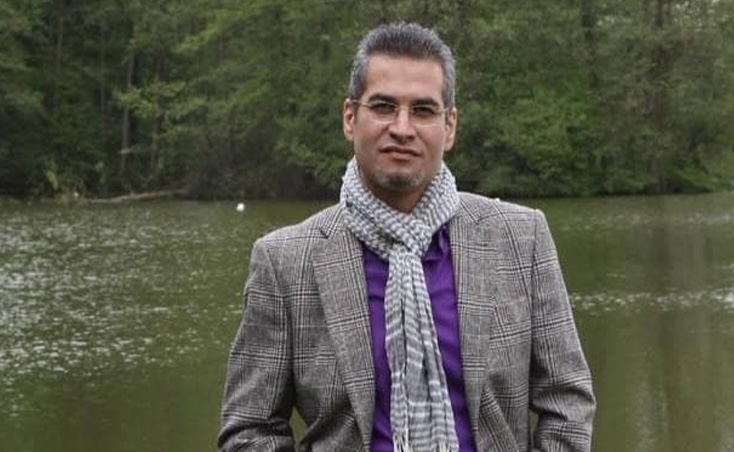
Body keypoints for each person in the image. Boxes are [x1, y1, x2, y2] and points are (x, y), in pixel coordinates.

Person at [218, 22, 595, 452]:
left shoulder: (521, 238)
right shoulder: (284, 262)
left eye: (423, 110)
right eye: (383, 106)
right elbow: (249, 430)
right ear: (350, 117)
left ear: (449, 126)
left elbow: (567, 401)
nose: (402, 127)